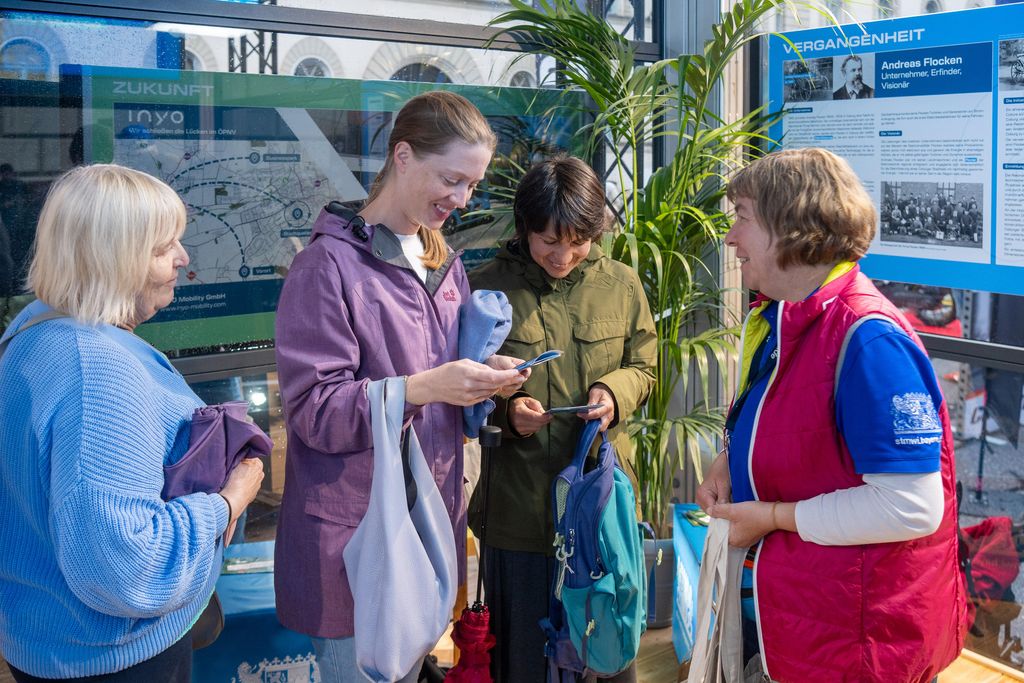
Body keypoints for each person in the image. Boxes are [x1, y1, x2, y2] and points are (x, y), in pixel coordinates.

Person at [273, 90, 527, 682]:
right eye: (451, 179)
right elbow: (315, 412)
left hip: (425, 523)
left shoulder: (442, 262)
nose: (461, 200)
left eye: (472, 185)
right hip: (358, 536)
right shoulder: (326, 267)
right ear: (404, 156)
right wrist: (425, 387)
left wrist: (486, 375)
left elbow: (441, 372)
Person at [697, 148, 966, 683]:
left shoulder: (868, 340)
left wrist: (773, 516)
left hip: (860, 645)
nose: (730, 238)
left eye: (742, 217)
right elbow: (790, 422)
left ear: (790, 226)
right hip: (810, 621)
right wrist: (731, 460)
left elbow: (912, 507)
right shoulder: (786, 315)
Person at [0, 164, 264, 681]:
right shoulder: (97, 372)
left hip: (44, 634)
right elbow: (128, 567)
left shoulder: (35, 326)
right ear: (115, 258)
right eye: (164, 248)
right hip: (111, 655)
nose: (183, 258)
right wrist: (228, 502)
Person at [468, 156, 657, 682]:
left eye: (579, 241)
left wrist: (613, 393)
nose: (564, 255)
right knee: (525, 662)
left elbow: (645, 368)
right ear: (524, 226)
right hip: (519, 516)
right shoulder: (485, 290)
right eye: (549, 240)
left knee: (606, 651)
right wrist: (508, 411)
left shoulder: (621, 284)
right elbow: (456, 389)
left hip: (600, 511)